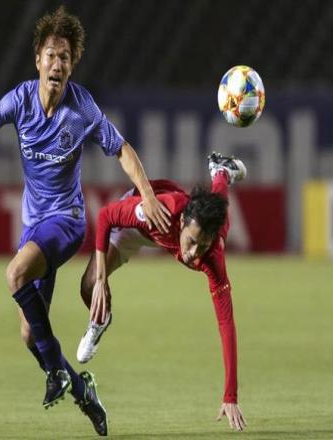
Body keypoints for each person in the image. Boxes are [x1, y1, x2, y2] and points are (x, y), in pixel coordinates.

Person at [0, 6, 170, 437]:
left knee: (14, 274)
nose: (58, 64)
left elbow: (122, 150)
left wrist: (147, 195)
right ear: (37, 59)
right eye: (52, 55)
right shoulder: (18, 101)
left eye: (66, 58)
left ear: (73, 65)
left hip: (67, 222)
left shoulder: (82, 108)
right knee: (28, 335)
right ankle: (82, 389)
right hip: (34, 226)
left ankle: (56, 372)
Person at [77, 152, 247, 432]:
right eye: (192, 242)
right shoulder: (157, 212)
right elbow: (106, 215)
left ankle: (221, 172)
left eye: (202, 246)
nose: (193, 254)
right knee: (89, 284)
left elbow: (226, 323)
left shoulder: (212, 251)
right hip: (140, 225)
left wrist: (230, 396)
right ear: (182, 224)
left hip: (171, 229)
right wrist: (102, 281)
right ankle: (101, 320)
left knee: (219, 210)